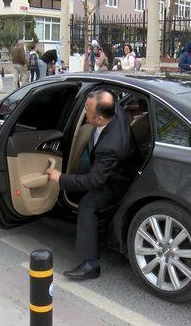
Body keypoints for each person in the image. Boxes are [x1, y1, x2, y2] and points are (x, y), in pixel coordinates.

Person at [46, 90, 136, 280]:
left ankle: (90, 265)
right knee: (76, 175)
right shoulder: (115, 110)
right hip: (106, 167)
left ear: (100, 119)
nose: (84, 113)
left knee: (88, 205)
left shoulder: (110, 146)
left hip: (118, 179)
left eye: (87, 111)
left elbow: (95, 180)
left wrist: (60, 178)